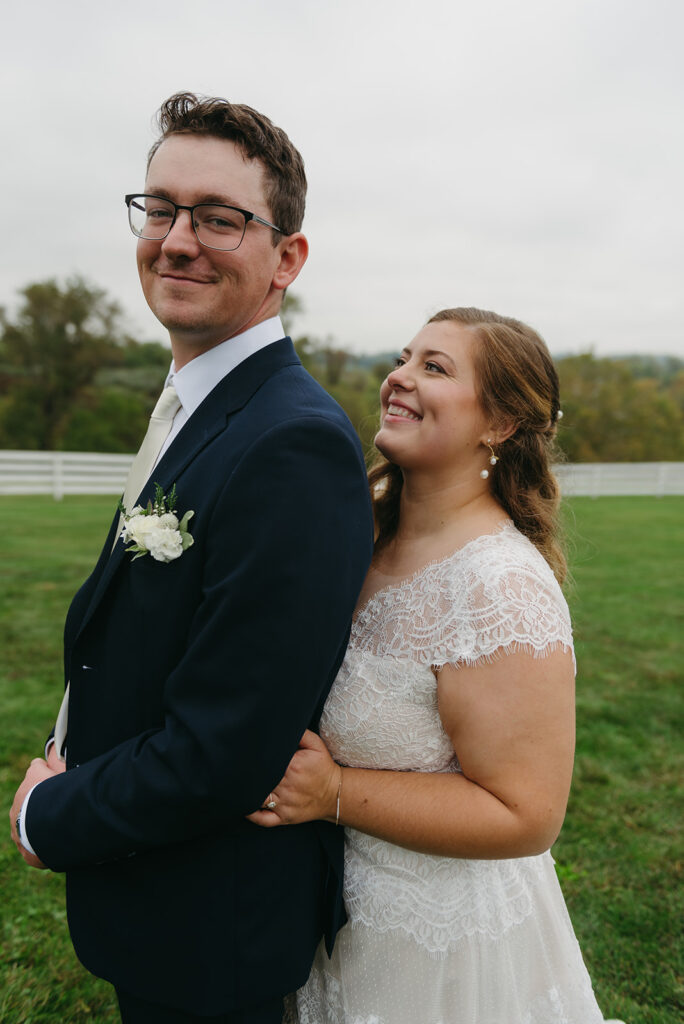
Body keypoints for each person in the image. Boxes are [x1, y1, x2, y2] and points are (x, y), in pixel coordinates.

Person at [9, 92, 373, 1023]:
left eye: (219, 218)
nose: (176, 240)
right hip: (161, 900)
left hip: (215, 925)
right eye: (160, 208)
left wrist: (50, 815)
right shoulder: (198, 404)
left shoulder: (292, 442)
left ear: (286, 256)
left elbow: (228, 746)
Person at [249, 307, 626, 1024]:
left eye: (435, 367)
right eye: (404, 358)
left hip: (441, 952)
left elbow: (525, 815)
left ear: (501, 424)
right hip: (324, 917)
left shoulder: (499, 588)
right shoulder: (358, 522)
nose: (399, 378)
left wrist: (334, 792)